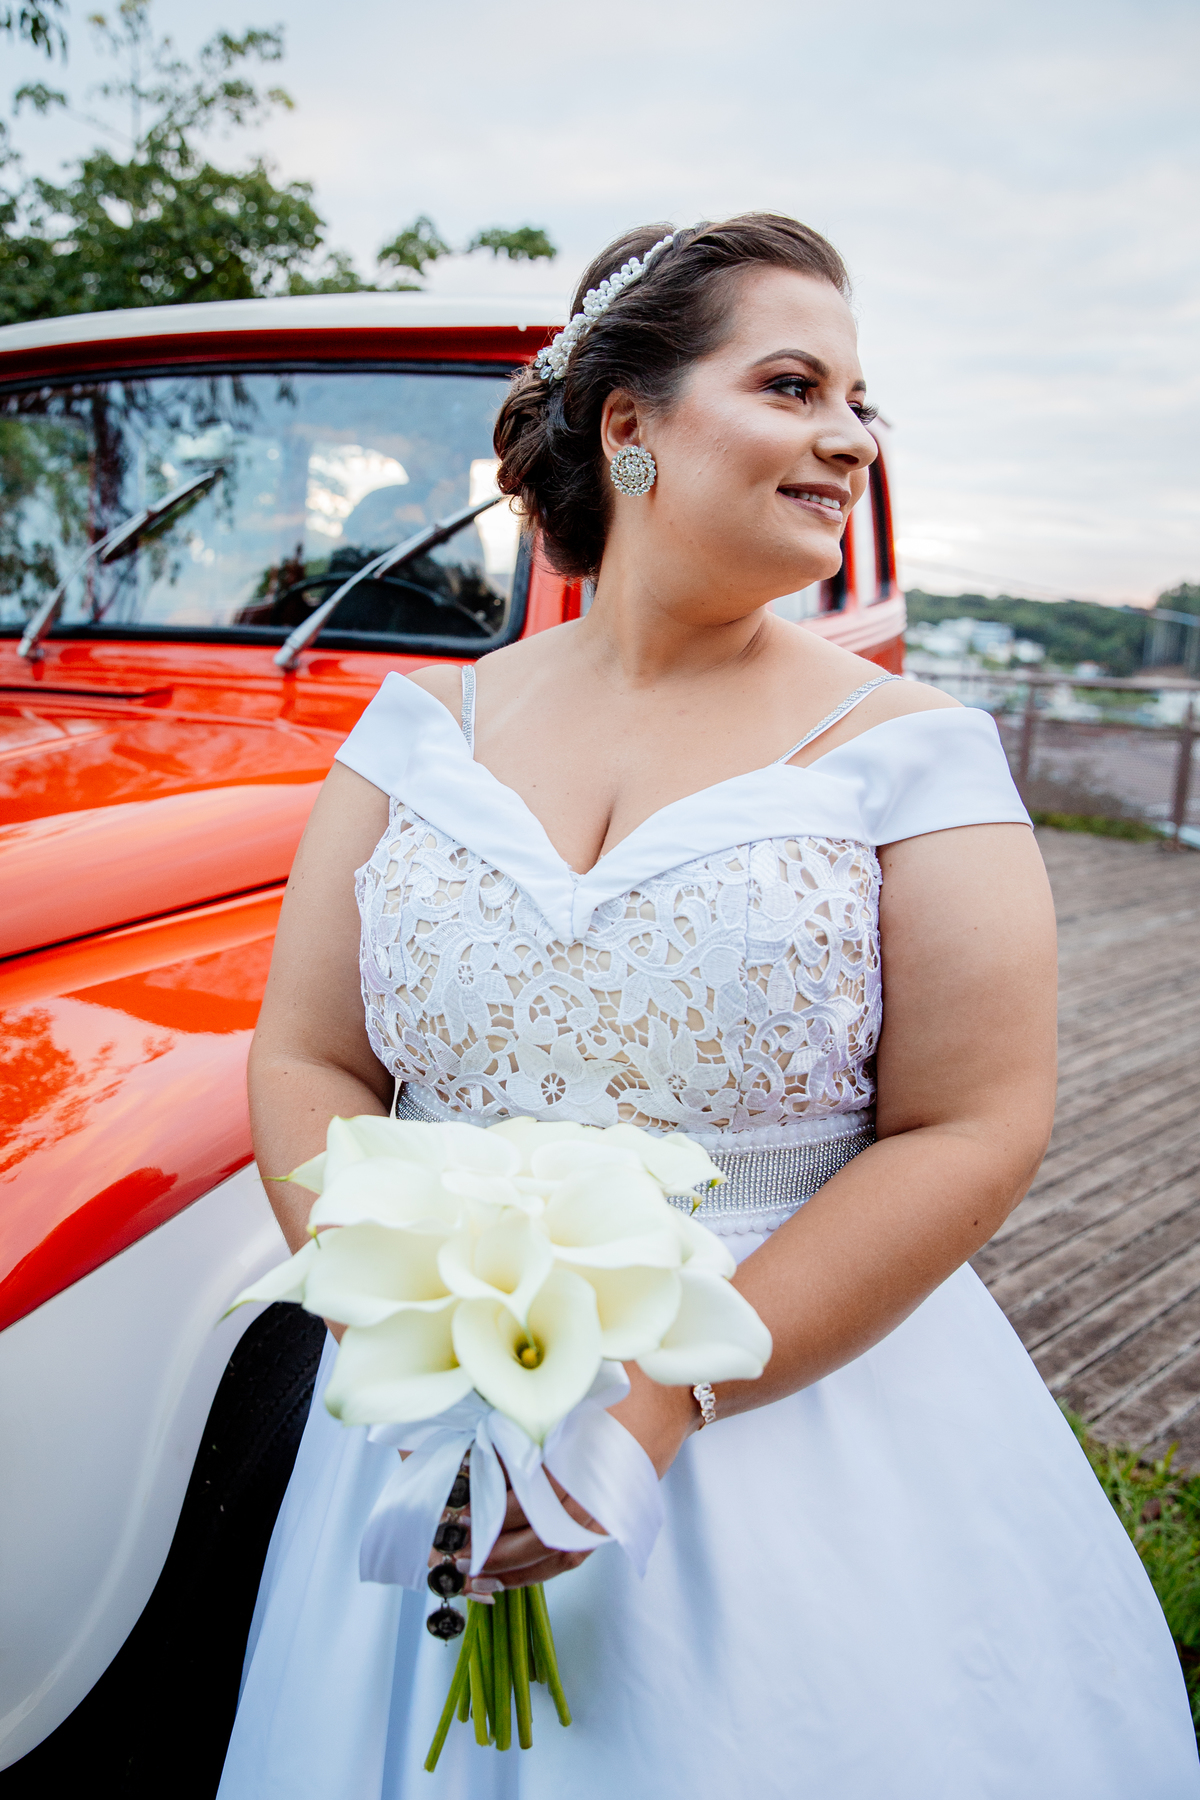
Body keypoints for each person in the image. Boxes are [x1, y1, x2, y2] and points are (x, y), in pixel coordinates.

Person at [218, 215, 1198, 1798]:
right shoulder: (415, 731)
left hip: (790, 1412)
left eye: (863, 403)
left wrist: (650, 1407)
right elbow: (310, 1052)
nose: (848, 439)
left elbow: (974, 1122)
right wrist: (401, 1325)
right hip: (441, 1418)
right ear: (630, 427)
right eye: (797, 384)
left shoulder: (914, 752)